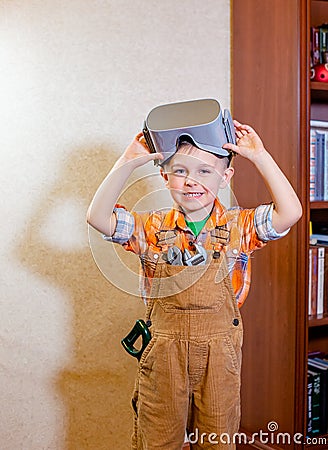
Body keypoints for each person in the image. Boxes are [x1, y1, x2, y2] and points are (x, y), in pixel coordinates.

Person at [87, 119, 302, 449]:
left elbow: (290, 212)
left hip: (219, 356)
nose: (191, 182)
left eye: (205, 171)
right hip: (164, 354)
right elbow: (98, 217)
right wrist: (129, 160)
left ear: (225, 176)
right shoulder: (151, 228)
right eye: (181, 171)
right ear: (165, 177)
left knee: (216, 440)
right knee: (158, 438)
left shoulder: (236, 226)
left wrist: (260, 157)